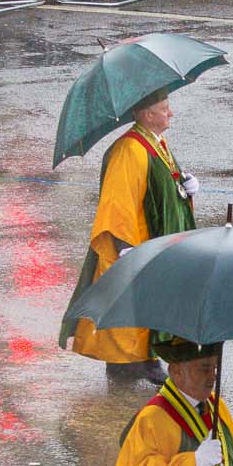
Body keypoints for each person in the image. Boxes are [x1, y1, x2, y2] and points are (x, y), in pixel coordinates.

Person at [60, 88, 195, 382]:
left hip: (153, 239)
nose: (170, 113)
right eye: (164, 108)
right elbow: (117, 201)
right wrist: (124, 246)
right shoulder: (129, 150)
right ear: (147, 115)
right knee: (129, 307)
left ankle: (143, 358)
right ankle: (126, 364)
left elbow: (163, 180)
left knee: (146, 304)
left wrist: (183, 185)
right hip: (134, 240)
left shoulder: (155, 142)